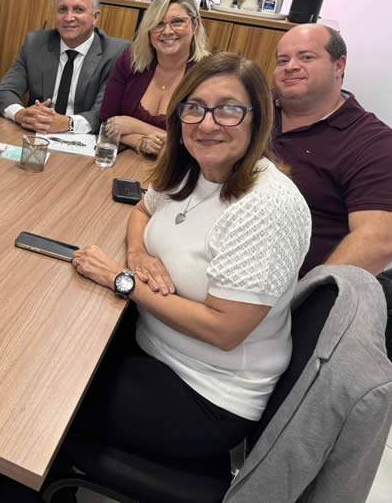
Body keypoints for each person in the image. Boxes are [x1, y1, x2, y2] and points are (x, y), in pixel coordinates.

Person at [69, 51, 311, 461]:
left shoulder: (266, 207)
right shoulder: (194, 166)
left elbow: (224, 330)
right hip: (152, 344)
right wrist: (138, 254)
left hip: (204, 394)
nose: (207, 123)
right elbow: (142, 210)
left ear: (258, 118)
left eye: (228, 110)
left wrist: (121, 280)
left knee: (50, 399)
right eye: (194, 108)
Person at [273, 24, 392, 277]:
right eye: (282, 60)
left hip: (292, 295)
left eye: (306, 57)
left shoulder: (373, 143)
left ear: (339, 66)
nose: (290, 66)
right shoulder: (253, 109)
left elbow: (377, 241)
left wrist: (307, 299)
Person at [0, 0, 128, 134]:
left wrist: (67, 123)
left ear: (95, 17)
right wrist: (20, 114)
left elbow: (105, 113)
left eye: (78, 9)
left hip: (83, 142)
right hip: (36, 135)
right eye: (62, 10)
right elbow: (5, 91)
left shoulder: (115, 53)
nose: (68, 17)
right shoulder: (35, 43)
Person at [100, 0, 210, 156]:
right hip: (129, 158)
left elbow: (197, 143)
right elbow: (108, 123)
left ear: (195, 26)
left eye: (177, 22)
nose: (167, 31)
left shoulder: (206, 75)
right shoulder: (131, 60)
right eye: (158, 23)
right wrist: (142, 142)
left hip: (179, 170)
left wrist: (134, 126)